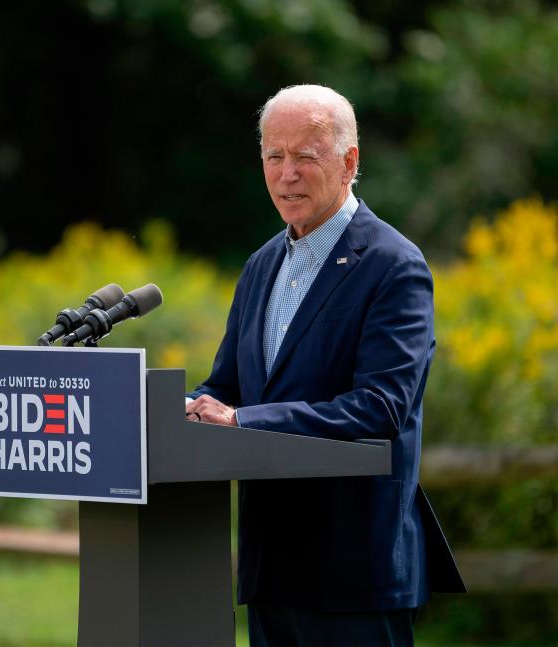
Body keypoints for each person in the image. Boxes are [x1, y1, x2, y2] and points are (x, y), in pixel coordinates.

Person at [185, 84, 465, 646]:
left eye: (305, 157)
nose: (286, 173)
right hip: (271, 570)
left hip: (354, 571)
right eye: (273, 156)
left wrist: (242, 421)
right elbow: (227, 387)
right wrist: (179, 407)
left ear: (349, 162)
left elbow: (380, 409)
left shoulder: (393, 265)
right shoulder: (261, 264)